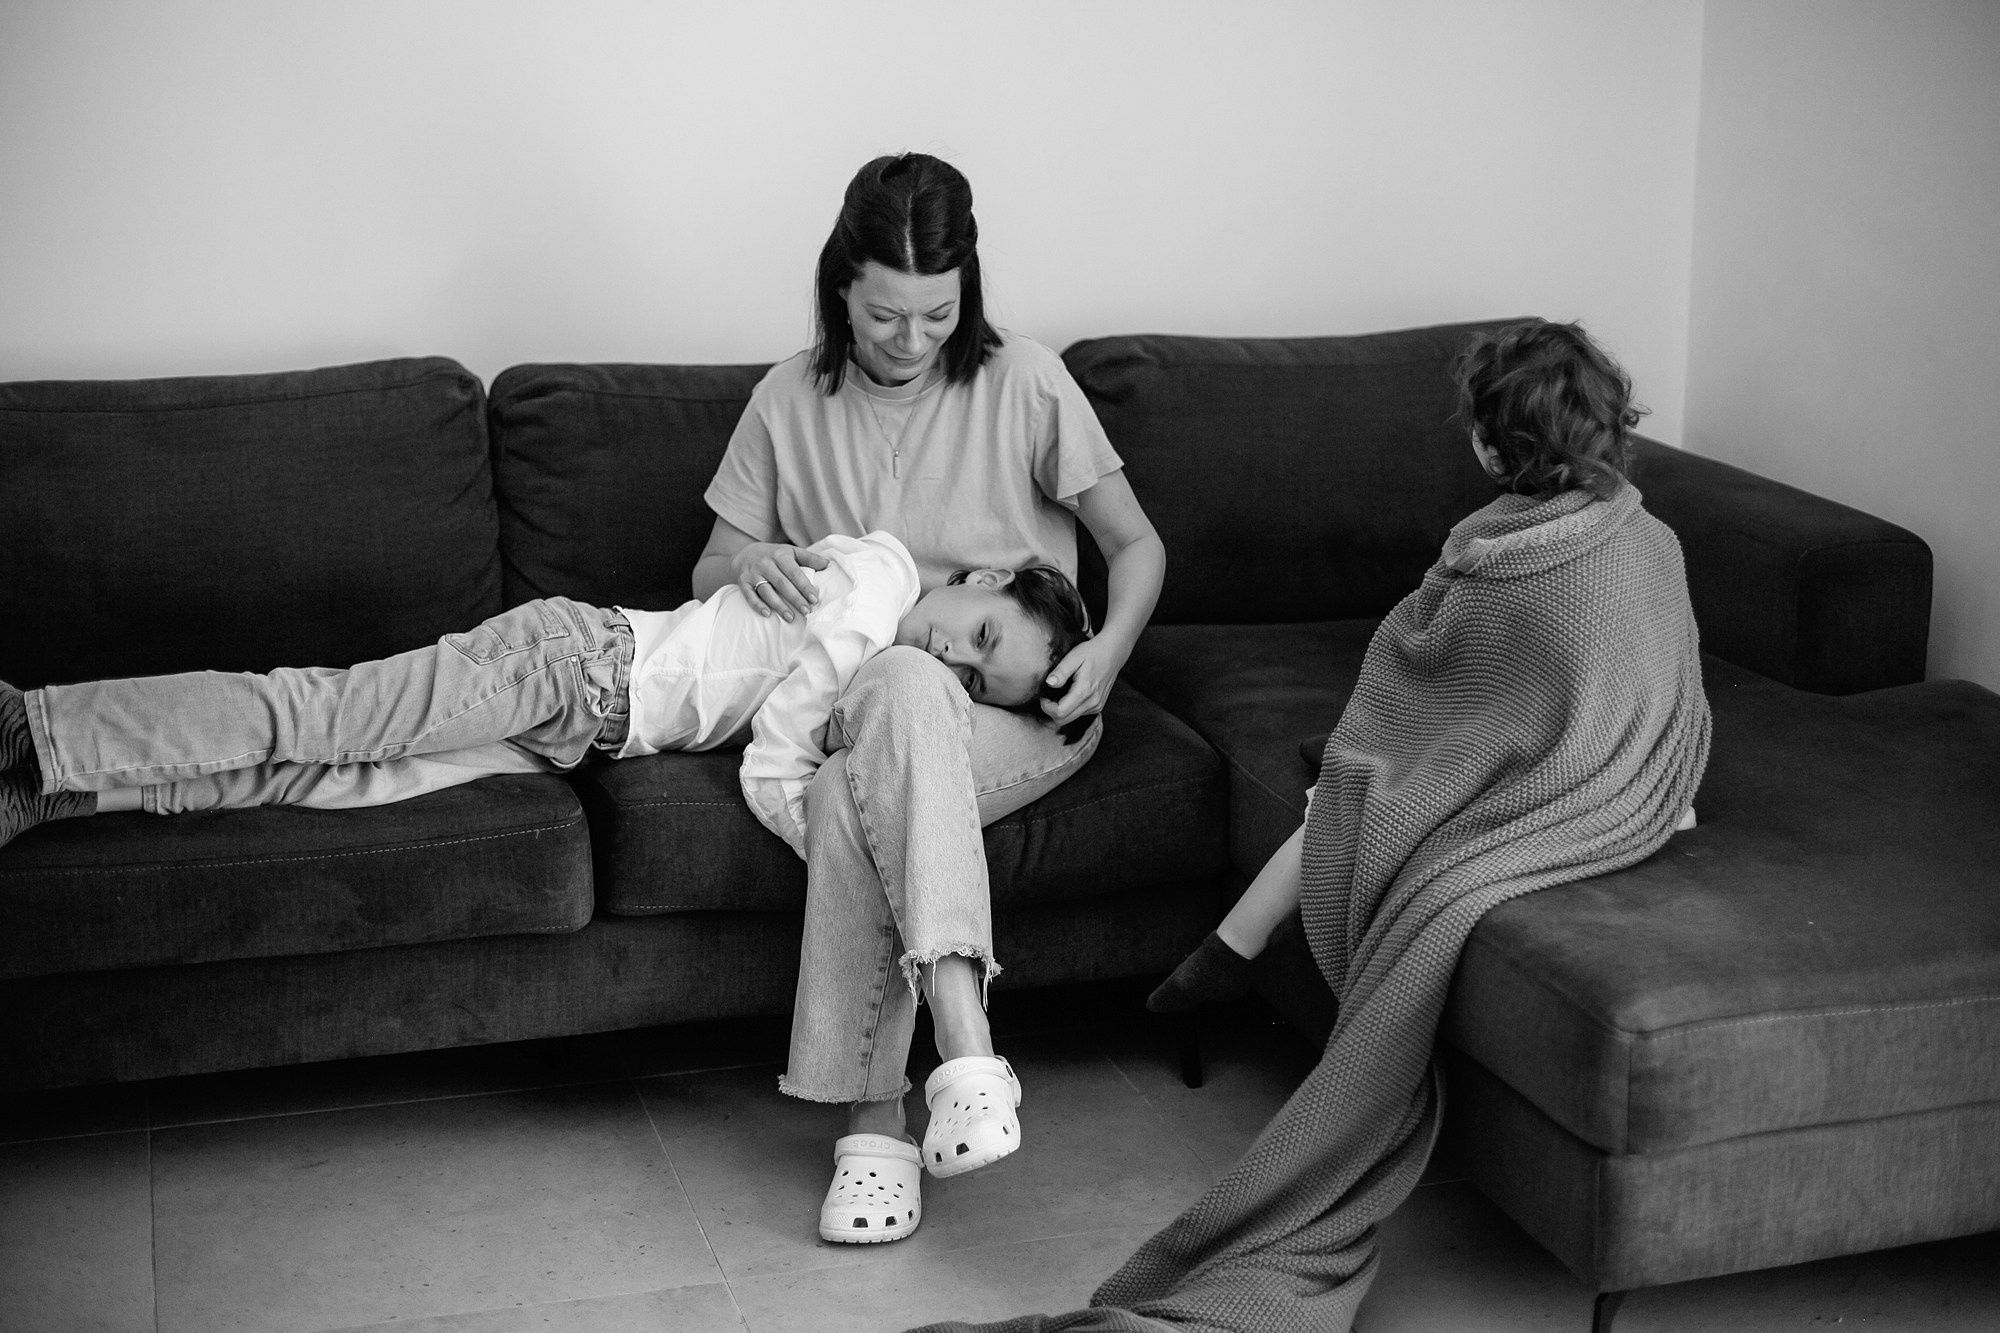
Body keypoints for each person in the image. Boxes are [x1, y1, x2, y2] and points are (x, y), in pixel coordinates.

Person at [918, 317, 1710, 1333]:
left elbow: (1418, 672)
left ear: (1484, 446)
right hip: (1629, 778)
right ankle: (1227, 953)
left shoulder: (1496, 564)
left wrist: (1419, 757)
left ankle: (1224, 963)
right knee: (1342, 797)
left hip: (1543, 778)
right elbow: (1661, 678)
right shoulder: (1651, 536)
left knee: (1352, 792)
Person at [692, 152, 1164, 1244]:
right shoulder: (784, 400)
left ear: (968, 295)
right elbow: (712, 563)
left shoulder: (1028, 381)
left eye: (935, 316)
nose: (910, 342)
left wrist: (1109, 658)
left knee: (844, 796)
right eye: (883, 318)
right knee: (894, 690)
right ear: (838, 292)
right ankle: (966, 1043)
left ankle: (874, 1133)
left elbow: (1133, 546)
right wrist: (750, 564)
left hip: (1012, 708)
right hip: (866, 699)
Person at [0, 532, 1092, 863]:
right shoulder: (880, 586)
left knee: (335, 779)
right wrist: (828, 834)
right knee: (319, 714)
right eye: (979, 636)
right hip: (570, 663)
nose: (947, 663)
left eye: (969, 682)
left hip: (579, 731)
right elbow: (774, 755)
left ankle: (55, 794)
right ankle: (30, 723)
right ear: (981, 578)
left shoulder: (880, 647)